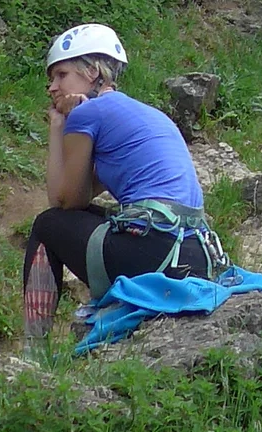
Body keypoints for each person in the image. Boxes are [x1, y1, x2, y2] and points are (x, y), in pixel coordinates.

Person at [22, 25, 216, 320]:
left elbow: (63, 201)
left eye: (61, 75)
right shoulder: (145, 113)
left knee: (47, 224)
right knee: (89, 215)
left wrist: (58, 126)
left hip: (153, 251)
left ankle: (35, 341)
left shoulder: (88, 114)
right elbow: (83, 193)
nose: (52, 87)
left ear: (92, 72)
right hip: (195, 255)